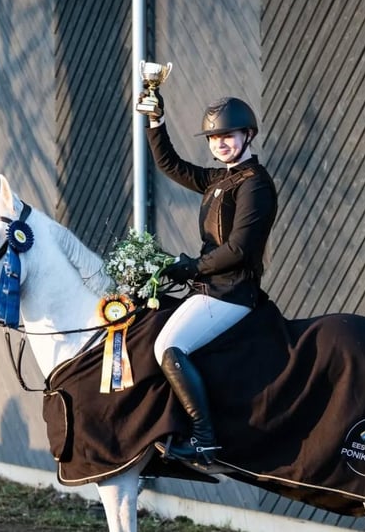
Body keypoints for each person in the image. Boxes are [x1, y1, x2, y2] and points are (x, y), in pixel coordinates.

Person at [137, 87, 278, 465]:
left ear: (247, 135)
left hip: (233, 293)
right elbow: (169, 165)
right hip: (209, 289)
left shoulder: (255, 185)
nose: (220, 144)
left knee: (168, 347)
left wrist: (188, 267)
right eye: (215, 138)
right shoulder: (219, 180)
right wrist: (156, 121)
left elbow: (239, 250)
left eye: (227, 136)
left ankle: (205, 441)